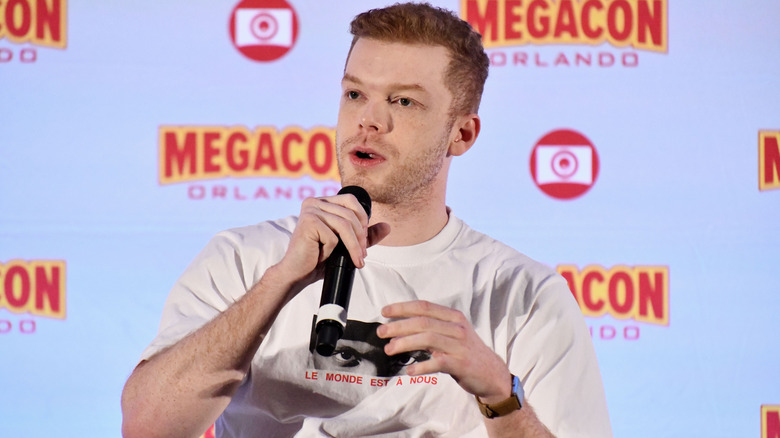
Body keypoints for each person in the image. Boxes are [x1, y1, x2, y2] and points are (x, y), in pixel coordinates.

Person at [121, 3, 612, 437]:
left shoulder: (524, 294)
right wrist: (278, 283)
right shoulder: (244, 258)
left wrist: (499, 393)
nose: (369, 120)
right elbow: (146, 428)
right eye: (355, 94)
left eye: (403, 101)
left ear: (461, 134)